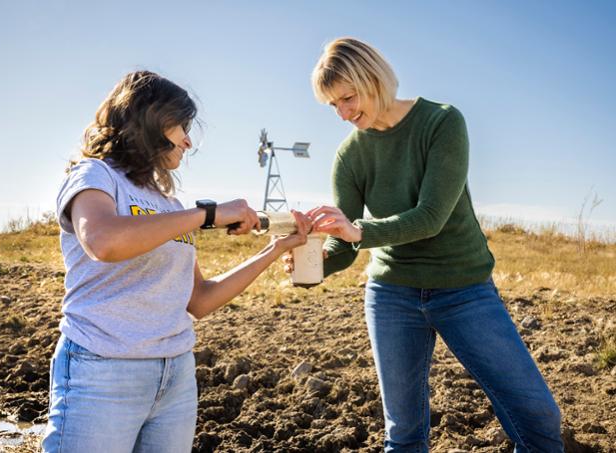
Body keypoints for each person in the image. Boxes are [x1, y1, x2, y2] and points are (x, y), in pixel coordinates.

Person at [297, 37, 564, 452]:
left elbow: (431, 217)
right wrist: (306, 264)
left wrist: (359, 231)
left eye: (348, 98)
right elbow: (345, 248)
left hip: (464, 289)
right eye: (333, 105)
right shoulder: (349, 156)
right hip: (391, 296)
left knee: (539, 416)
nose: (343, 114)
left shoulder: (442, 122)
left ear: (374, 79)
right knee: (403, 435)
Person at [42, 70, 309, 453]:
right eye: (180, 126)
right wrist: (208, 215)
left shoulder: (168, 204)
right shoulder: (95, 175)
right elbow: (103, 240)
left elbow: (199, 299)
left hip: (175, 376)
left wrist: (274, 250)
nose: (187, 140)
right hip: (102, 371)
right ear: (149, 120)